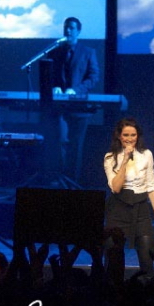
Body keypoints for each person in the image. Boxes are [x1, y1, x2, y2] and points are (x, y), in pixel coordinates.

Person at [103, 117, 154, 280]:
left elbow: (151, 185)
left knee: (147, 257)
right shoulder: (110, 157)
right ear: (119, 136)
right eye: (126, 135)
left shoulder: (146, 154)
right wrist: (125, 159)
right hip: (118, 209)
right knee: (113, 260)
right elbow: (116, 187)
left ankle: (147, 290)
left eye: (133, 135)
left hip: (140, 209)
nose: (130, 139)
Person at [46, 16, 100, 183]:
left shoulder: (88, 52)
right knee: (60, 141)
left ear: (78, 31)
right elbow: (50, 75)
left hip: (79, 108)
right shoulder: (55, 51)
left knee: (76, 146)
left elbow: (93, 77)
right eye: (65, 27)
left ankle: (72, 182)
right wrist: (54, 86)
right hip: (60, 107)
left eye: (71, 28)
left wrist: (76, 90)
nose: (68, 30)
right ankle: (59, 179)